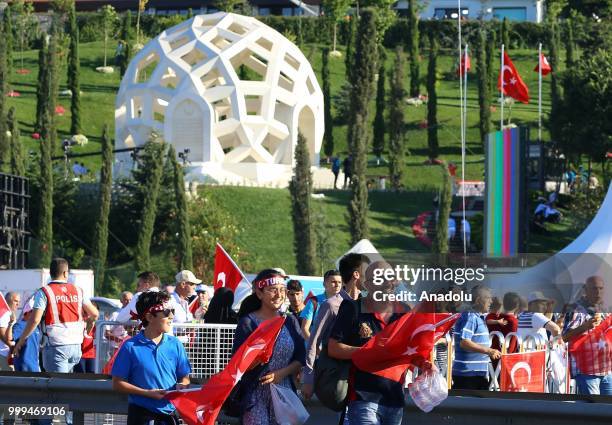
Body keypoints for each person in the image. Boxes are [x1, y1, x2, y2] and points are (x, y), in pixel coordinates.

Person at [328, 261, 417, 425]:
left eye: (391, 277)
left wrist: (426, 365)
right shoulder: (352, 308)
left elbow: (413, 350)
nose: (388, 282)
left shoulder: (404, 311)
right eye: (381, 278)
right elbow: (333, 348)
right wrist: (368, 351)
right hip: (363, 397)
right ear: (368, 285)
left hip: (395, 398)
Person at [232, 269, 305, 425]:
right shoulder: (248, 323)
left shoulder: (290, 321)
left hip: (284, 393)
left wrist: (282, 373)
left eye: (282, 290)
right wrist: (258, 358)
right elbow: (237, 363)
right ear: (259, 293)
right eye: (273, 290)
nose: (279, 295)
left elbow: (301, 356)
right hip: (255, 395)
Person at [112, 290, 191, 425]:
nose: (171, 316)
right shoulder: (130, 346)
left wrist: (182, 385)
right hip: (140, 415)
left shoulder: (175, 344)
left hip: (169, 416)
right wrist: (147, 393)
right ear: (149, 317)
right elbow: (117, 384)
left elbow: (185, 377)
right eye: (166, 312)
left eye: (172, 310)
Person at [302, 253, 370, 400]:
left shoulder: (367, 304)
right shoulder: (331, 304)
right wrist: (308, 378)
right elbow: (314, 342)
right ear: (357, 274)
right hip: (338, 375)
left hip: (363, 376)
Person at [13, 258, 99, 373]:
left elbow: (35, 320)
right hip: (76, 346)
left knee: (57, 385)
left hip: (56, 346)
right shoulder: (78, 290)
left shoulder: (44, 292)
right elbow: (94, 314)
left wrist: (21, 341)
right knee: (65, 384)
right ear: (65, 273)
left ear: (51, 273)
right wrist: (88, 328)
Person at [562, 276, 611, 395]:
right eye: (594, 288)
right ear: (585, 289)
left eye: (601, 288)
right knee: (594, 409)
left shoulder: (605, 309)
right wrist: (585, 326)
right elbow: (565, 337)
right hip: (586, 371)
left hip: (606, 370)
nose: (598, 292)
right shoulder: (575, 309)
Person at [452, 285, 501, 390]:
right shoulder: (470, 317)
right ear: (478, 300)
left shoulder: (478, 317)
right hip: (468, 376)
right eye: (488, 298)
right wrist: (489, 351)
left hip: (475, 374)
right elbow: (464, 342)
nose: (491, 301)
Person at [300, 270, 342, 339]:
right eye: (333, 282)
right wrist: (314, 346)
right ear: (324, 284)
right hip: (316, 347)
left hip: (336, 347)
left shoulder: (345, 303)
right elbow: (304, 329)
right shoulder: (314, 302)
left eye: (339, 282)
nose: (337, 285)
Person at [10, 297, 41, 372]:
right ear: (26, 312)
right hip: (24, 367)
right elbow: (10, 340)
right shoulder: (19, 325)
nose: (37, 314)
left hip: (35, 366)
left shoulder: (36, 328)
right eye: (34, 311)